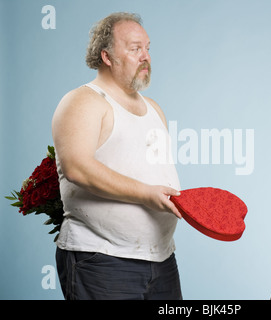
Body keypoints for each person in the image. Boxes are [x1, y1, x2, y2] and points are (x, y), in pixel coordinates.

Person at [52, 12, 183, 300]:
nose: (146, 56)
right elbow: (77, 168)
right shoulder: (83, 101)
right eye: (136, 49)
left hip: (162, 259)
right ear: (107, 56)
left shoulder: (153, 108)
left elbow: (155, 171)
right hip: (103, 259)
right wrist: (147, 194)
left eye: (148, 48)